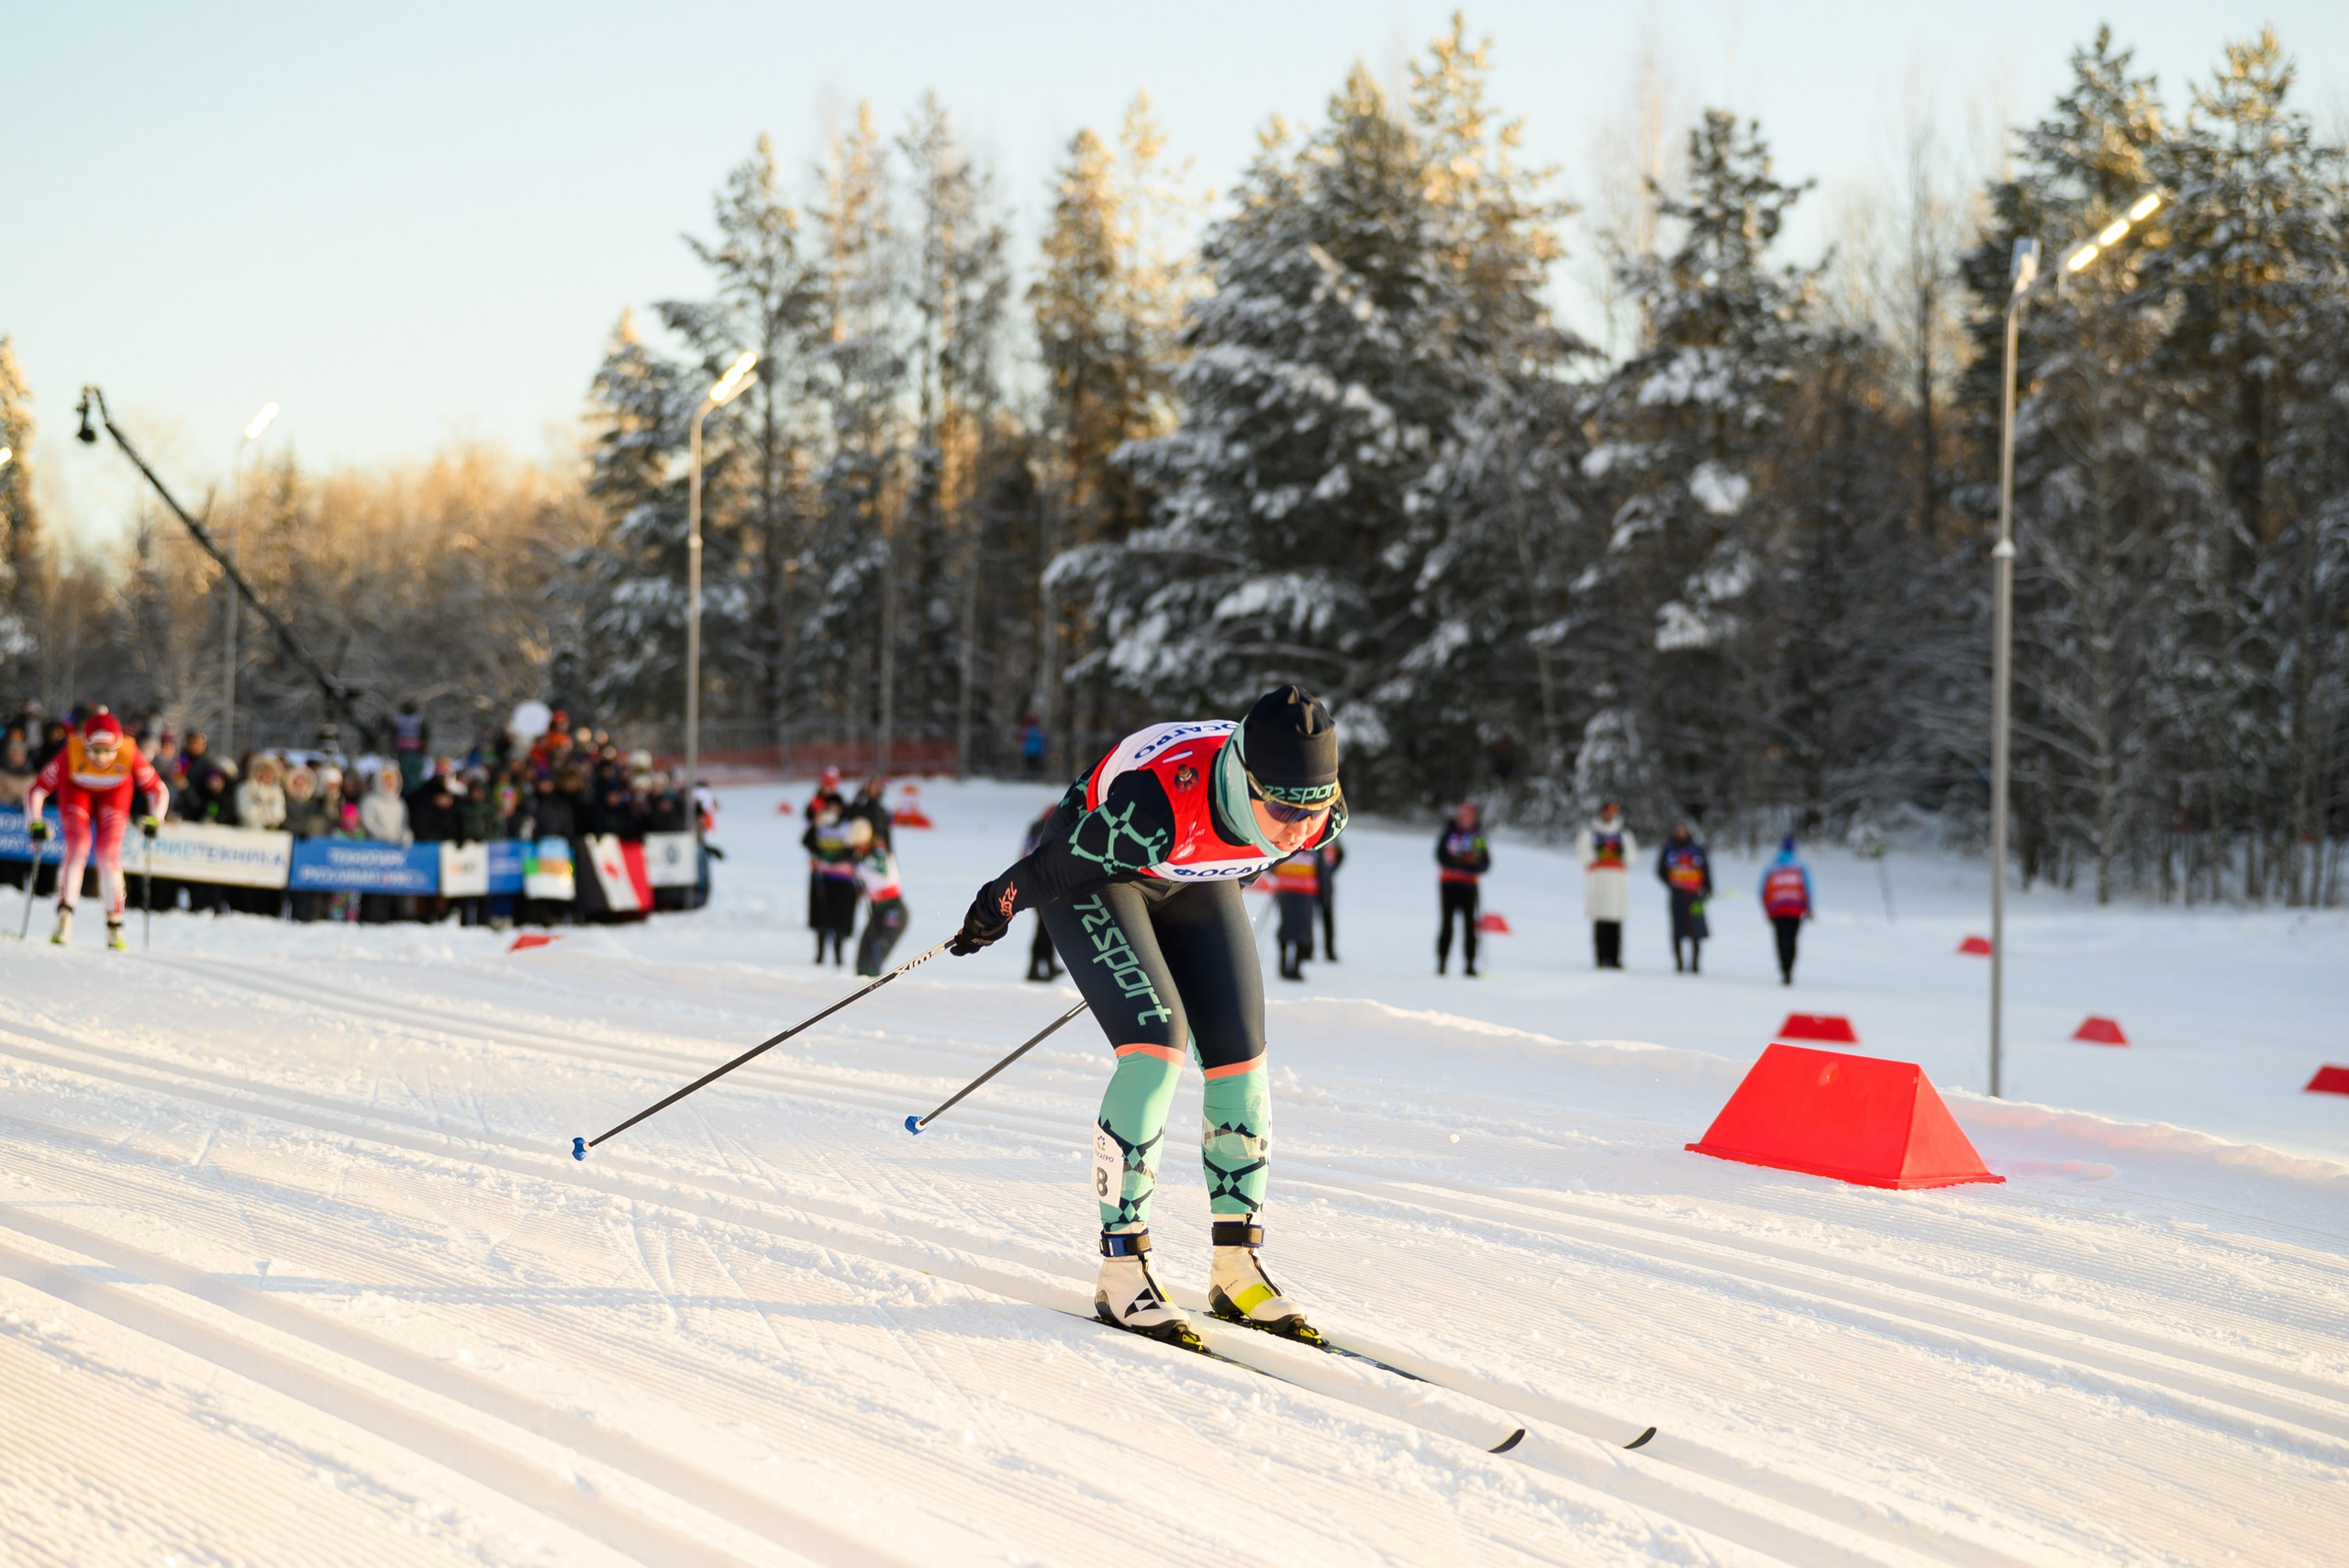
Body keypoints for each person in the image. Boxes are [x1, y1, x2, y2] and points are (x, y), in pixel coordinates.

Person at [945, 684, 1347, 1351]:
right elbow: (1053, 866)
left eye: (1317, 807)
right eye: (1281, 807)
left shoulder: (1317, 815)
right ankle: (1122, 1269)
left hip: (1190, 871)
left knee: (1242, 1060)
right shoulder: (1150, 807)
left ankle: (1235, 1265)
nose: (1301, 829)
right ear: (1247, 778)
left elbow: (1262, 846)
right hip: (1096, 870)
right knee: (1158, 1044)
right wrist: (993, 907)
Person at [23, 712, 169, 950]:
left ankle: (115, 926)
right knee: (78, 846)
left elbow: (158, 790)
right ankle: (64, 919)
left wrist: (156, 819)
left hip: (115, 794)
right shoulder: (72, 749)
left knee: (108, 855)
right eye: (96, 750)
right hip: (76, 791)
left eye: (108, 750)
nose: (102, 758)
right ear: (86, 742)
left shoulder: (129, 751)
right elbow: (36, 790)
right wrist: (35, 822)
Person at [846, 816, 907, 976]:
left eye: (858, 845)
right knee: (863, 959)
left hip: (893, 911)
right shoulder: (863, 856)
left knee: (873, 959)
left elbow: (883, 874)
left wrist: (860, 871)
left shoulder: (879, 852)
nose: (856, 849)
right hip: (878, 912)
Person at [1434, 800, 1489, 976]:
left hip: (1469, 886)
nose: (1465, 819)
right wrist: (1458, 865)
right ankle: (1442, 962)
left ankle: (1470, 964)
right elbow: (1440, 856)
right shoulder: (1449, 833)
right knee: (1447, 924)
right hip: (1448, 884)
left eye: (1468, 816)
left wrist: (1469, 868)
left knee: (1470, 926)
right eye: (1462, 816)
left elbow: (1484, 861)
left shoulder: (1477, 836)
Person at [801, 804, 858, 965]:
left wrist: (837, 857)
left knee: (840, 919)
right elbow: (807, 842)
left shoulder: (847, 828)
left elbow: (855, 850)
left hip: (843, 880)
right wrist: (815, 824)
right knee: (821, 918)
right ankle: (820, 956)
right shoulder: (820, 828)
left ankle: (839, 957)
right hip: (823, 877)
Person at [1581, 801, 1635, 969]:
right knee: (1600, 922)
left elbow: (1632, 856)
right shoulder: (1590, 833)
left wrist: (1620, 860)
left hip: (1617, 881)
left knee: (1615, 922)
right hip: (1599, 879)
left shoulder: (1623, 834)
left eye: (1612, 813)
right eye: (1606, 812)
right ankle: (1600, 958)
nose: (1608, 816)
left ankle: (1615, 958)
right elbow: (1582, 854)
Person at [1658, 819, 1713, 973]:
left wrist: (1708, 889)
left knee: (1697, 928)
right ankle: (1679, 963)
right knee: (1677, 928)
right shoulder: (1669, 849)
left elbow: (1706, 870)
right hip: (1677, 895)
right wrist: (1672, 884)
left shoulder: (1697, 850)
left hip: (1695, 895)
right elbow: (1660, 870)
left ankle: (1695, 963)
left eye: (1684, 830)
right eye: (1678, 830)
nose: (1681, 833)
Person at [1760, 836, 1814, 984]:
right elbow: (1808, 889)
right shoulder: (1800, 867)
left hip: (1776, 909)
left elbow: (1762, 891)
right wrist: (1809, 908)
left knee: (1780, 939)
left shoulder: (1771, 867)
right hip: (1795, 909)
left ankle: (1783, 968)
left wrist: (1766, 909)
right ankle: (1790, 968)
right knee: (1792, 939)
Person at [1019, 803, 1061, 982]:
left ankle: (1046, 966)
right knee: (1045, 928)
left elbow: (1025, 852)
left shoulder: (1036, 826)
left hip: (1032, 880)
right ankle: (1035, 969)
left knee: (1045, 928)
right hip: (1044, 883)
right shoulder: (1053, 828)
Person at [1268, 847, 1319, 981]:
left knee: (1292, 928)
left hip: (1291, 890)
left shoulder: (1285, 846)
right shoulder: (1313, 848)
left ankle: (1290, 966)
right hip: (1300, 892)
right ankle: (1290, 967)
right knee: (1297, 929)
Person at [1314, 835, 1343, 962]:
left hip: (1325, 883)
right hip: (1308, 881)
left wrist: (1328, 873)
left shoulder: (1332, 836)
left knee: (1327, 918)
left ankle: (1329, 950)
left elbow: (1341, 855)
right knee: (1307, 918)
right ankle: (1307, 949)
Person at [1019, 713, 1046, 777]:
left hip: (1030, 751)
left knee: (1030, 765)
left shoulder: (1026, 729)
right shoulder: (1039, 730)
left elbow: (1022, 738)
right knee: (1034, 765)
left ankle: (1030, 777)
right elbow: (1043, 739)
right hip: (1036, 751)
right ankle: (1033, 777)